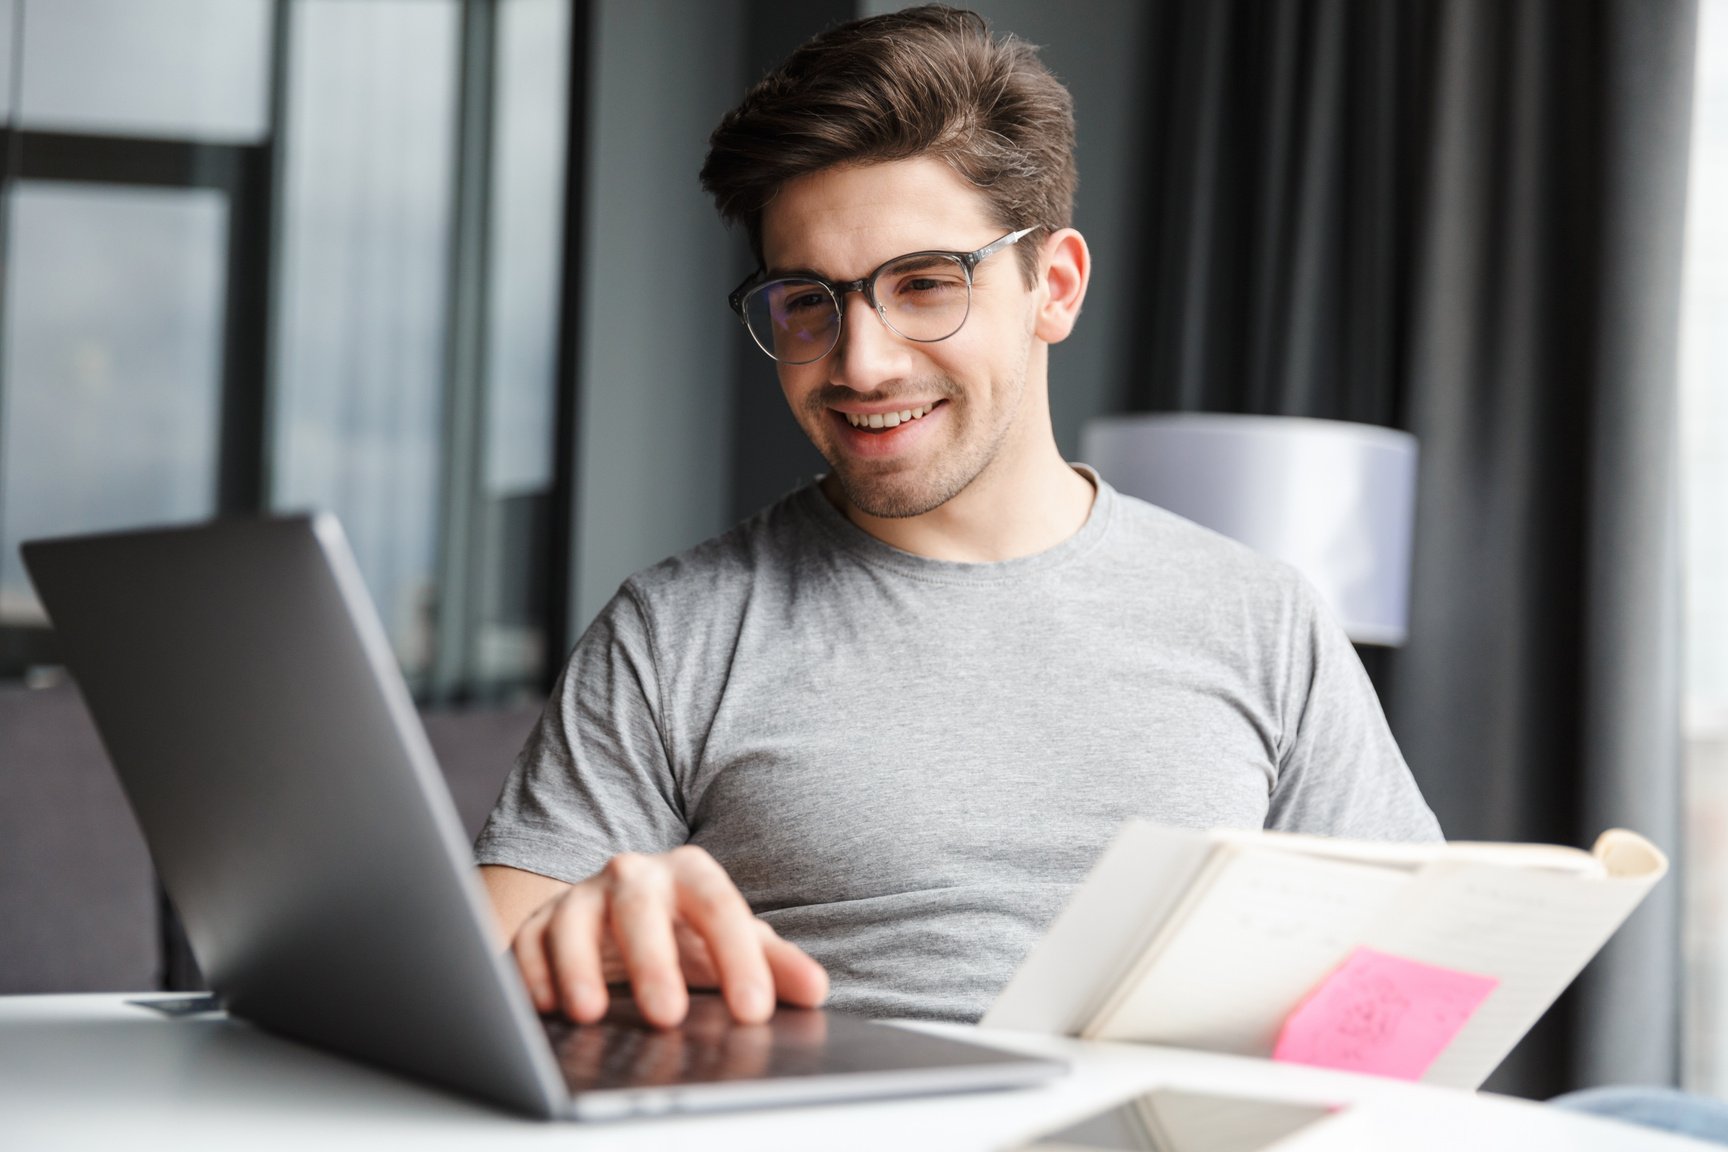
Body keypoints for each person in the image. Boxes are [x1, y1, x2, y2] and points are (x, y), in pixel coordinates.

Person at [475, 4, 1441, 1033]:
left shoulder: (1265, 621)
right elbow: (474, 979)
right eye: (809, 301)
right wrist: (578, 938)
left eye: (926, 285)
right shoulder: (679, 630)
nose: (861, 363)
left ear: (1054, 287)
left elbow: (1422, 990)